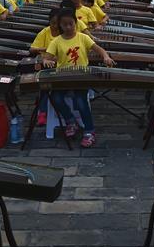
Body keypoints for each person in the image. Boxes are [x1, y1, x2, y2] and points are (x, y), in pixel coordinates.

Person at [42, 8, 115, 148]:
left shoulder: (83, 37)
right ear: (60, 26)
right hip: (63, 77)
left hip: (81, 76)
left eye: (71, 24)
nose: (68, 27)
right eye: (65, 25)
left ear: (75, 23)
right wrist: (47, 62)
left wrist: (105, 57)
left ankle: (89, 131)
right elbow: (47, 58)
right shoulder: (56, 41)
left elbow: (100, 50)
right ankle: (70, 121)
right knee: (56, 98)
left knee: (80, 100)